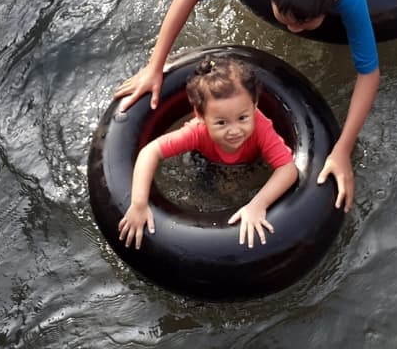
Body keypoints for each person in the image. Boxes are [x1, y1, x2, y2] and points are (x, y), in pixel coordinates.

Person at [113, 0, 380, 212]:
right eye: (286, 19)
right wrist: (154, 68)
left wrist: (342, 149)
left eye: (304, 23)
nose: (294, 31)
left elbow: (369, 73)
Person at [118, 54, 297, 249]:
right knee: (205, 193)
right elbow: (149, 152)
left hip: (253, 163)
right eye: (221, 122)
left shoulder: (261, 127)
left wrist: (258, 204)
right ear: (200, 115)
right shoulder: (196, 131)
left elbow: (287, 169)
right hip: (207, 163)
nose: (235, 130)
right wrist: (138, 204)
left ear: (254, 106)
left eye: (243, 117)